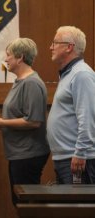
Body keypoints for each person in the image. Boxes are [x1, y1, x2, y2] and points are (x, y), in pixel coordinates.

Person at [0, 38, 50, 205]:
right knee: (19, 202)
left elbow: (33, 121)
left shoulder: (32, 83)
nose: (6, 59)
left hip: (29, 154)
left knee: (27, 205)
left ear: (20, 57)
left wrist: (1, 123)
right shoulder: (20, 81)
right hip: (18, 153)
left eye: (9, 55)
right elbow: (17, 114)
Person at [47, 26, 95, 184]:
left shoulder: (81, 74)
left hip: (77, 159)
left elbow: (88, 117)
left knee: (79, 208)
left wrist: (81, 152)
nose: (51, 47)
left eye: (55, 43)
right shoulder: (68, 73)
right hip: (65, 158)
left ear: (69, 47)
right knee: (68, 208)